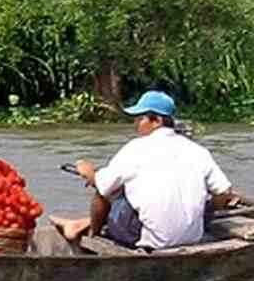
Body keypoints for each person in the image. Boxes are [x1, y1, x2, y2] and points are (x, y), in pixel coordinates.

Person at [51, 90, 236, 250]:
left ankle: (93, 235)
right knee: (131, 190)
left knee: (108, 193)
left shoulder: (136, 148)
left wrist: (87, 170)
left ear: (156, 121)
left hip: (149, 239)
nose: (136, 125)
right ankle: (80, 224)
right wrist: (207, 210)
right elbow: (224, 192)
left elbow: (102, 186)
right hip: (192, 237)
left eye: (140, 119)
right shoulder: (198, 151)